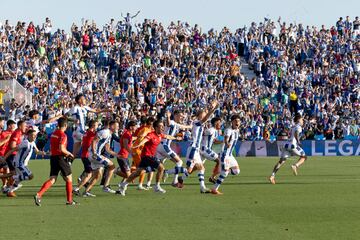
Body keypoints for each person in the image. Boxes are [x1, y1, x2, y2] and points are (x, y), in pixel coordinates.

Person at [118, 120, 182, 195]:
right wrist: (138, 145)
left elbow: (167, 136)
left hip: (145, 157)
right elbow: (145, 140)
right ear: (156, 127)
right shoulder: (151, 134)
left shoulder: (160, 135)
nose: (162, 128)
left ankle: (124, 184)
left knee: (138, 172)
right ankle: (157, 187)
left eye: (163, 126)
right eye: (161, 126)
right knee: (161, 168)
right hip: (147, 156)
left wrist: (175, 138)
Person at [34, 117, 76, 206]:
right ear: (65, 125)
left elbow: (52, 146)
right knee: (69, 178)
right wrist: (70, 154)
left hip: (53, 158)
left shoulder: (54, 134)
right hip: (61, 158)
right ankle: (69, 200)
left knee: (52, 179)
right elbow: (62, 149)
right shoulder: (63, 135)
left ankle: (39, 194)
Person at [185, 100, 219, 194]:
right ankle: (169, 172)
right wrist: (213, 109)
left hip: (196, 149)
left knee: (198, 168)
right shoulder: (196, 122)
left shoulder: (201, 124)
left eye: (204, 114)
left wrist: (211, 108)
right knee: (191, 168)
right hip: (193, 148)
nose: (204, 116)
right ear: (199, 116)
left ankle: (201, 187)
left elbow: (206, 119)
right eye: (203, 114)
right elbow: (205, 119)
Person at [1, 129, 47, 194]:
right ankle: (11, 181)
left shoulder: (33, 143)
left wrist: (44, 153)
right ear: (28, 135)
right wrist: (4, 158)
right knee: (29, 176)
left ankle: (8, 189)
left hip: (22, 164)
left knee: (22, 177)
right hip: (18, 163)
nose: (34, 136)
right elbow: (12, 150)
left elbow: (37, 152)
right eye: (32, 135)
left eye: (35, 135)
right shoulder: (25, 143)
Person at [84, 120, 120, 196]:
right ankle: (106, 186)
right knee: (112, 166)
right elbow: (94, 141)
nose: (118, 127)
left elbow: (108, 149)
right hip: (95, 155)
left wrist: (117, 155)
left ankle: (86, 192)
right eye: (117, 126)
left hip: (95, 155)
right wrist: (94, 153)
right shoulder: (105, 132)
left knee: (97, 175)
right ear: (112, 126)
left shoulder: (109, 135)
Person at [70, 94, 111, 159]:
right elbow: (66, 116)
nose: (85, 100)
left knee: (74, 154)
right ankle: (95, 158)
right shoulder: (75, 108)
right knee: (93, 140)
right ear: (79, 100)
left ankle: (68, 163)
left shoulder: (85, 108)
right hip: (78, 131)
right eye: (83, 98)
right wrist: (73, 120)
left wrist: (106, 110)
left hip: (80, 132)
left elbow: (96, 112)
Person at [269, 114, 307, 184]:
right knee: (304, 157)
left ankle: (272, 176)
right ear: (298, 120)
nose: (302, 121)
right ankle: (295, 165)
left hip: (286, 145)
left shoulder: (293, 126)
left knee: (281, 161)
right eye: (302, 120)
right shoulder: (298, 126)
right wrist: (298, 141)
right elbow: (296, 133)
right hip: (293, 145)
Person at [160, 110, 192, 188]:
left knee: (155, 166)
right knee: (180, 162)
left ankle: (147, 183)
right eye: (180, 116)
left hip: (162, 146)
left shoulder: (176, 125)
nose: (181, 117)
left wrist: (190, 126)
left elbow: (183, 127)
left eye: (182, 116)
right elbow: (168, 123)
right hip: (164, 146)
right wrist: (167, 116)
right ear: (175, 115)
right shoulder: (172, 122)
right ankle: (167, 173)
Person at [211, 115, 241, 195]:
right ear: (232, 122)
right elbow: (226, 138)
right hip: (225, 155)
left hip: (230, 156)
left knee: (236, 171)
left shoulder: (237, 130)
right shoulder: (228, 130)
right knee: (225, 173)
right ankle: (214, 189)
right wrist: (227, 143)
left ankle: (220, 171)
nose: (237, 123)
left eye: (238, 121)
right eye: (235, 121)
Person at [73, 120, 98, 196]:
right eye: (96, 125)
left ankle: (83, 183)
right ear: (93, 126)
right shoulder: (91, 134)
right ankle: (77, 189)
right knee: (89, 174)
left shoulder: (86, 133)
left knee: (93, 172)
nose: (97, 126)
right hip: (87, 156)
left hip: (85, 156)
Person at [3, 120, 27, 197]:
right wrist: (21, 149)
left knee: (14, 173)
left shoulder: (19, 133)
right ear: (20, 126)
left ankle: (8, 188)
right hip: (11, 156)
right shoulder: (17, 133)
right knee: (16, 173)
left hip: (12, 156)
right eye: (24, 126)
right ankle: (8, 189)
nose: (25, 127)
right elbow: (12, 146)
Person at [131, 117, 155, 190]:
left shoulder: (149, 129)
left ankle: (128, 180)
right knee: (142, 168)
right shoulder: (145, 129)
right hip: (137, 150)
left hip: (139, 150)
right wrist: (141, 140)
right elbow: (141, 137)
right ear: (151, 124)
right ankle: (137, 184)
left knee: (140, 168)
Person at [201, 117, 223, 184]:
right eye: (219, 122)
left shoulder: (215, 131)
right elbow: (201, 134)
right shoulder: (210, 130)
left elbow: (214, 141)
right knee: (219, 160)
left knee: (196, 166)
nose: (221, 124)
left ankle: (182, 177)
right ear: (216, 123)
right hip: (205, 149)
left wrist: (224, 141)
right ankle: (212, 177)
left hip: (205, 150)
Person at [0, 120, 16, 192]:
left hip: (8, 155)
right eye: (13, 125)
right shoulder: (4, 133)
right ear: (9, 126)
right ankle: (7, 186)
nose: (14, 127)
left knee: (7, 170)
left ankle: (6, 186)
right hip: (2, 154)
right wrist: (7, 139)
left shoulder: (14, 133)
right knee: (6, 170)